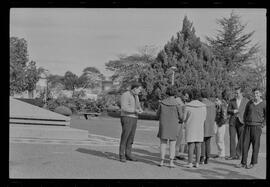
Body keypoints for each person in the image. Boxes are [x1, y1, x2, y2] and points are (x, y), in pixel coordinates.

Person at [236, 87, 266, 169]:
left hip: (257, 127)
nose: (255, 95)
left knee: (255, 146)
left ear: (260, 94)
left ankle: (253, 163)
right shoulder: (249, 103)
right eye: (254, 93)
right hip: (248, 127)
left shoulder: (264, 104)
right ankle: (243, 162)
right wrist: (245, 122)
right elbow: (245, 113)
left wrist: (263, 124)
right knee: (245, 145)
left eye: (257, 93)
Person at [156, 86, 184, 168]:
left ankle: (161, 161)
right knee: (172, 144)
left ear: (167, 93)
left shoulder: (162, 103)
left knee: (163, 143)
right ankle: (171, 162)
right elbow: (181, 117)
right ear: (175, 93)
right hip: (174, 125)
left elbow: (157, 114)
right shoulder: (177, 104)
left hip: (163, 125)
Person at [119, 82, 143, 162]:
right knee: (125, 136)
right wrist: (134, 111)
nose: (140, 91)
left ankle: (128, 154)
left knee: (131, 137)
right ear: (135, 88)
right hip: (127, 117)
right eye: (139, 89)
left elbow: (138, 106)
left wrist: (140, 109)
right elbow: (124, 108)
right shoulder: (126, 95)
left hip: (134, 117)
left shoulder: (136, 96)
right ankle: (121, 155)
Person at [183, 89, 207, 168]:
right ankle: (197, 163)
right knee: (198, 146)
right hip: (199, 127)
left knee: (191, 145)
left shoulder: (188, 105)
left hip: (190, 127)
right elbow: (204, 118)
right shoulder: (203, 106)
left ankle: (190, 162)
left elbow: (184, 118)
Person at [226, 86, 249, 160]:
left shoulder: (246, 101)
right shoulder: (231, 100)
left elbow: (249, 111)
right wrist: (233, 111)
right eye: (235, 93)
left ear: (241, 93)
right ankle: (232, 155)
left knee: (241, 139)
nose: (235, 94)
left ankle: (238, 154)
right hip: (232, 122)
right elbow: (228, 110)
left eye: (237, 93)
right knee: (232, 138)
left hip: (242, 122)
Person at [200, 89, 216, 165]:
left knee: (202, 142)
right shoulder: (212, 104)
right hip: (210, 125)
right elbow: (214, 115)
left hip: (202, 125)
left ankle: (202, 157)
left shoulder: (201, 104)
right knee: (208, 143)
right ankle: (207, 157)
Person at [214, 90, 229, 159]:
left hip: (221, 123)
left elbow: (224, 115)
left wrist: (220, 123)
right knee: (218, 139)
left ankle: (222, 154)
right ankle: (220, 153)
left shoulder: (223, 103)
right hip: (218, 122)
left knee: (220, 139)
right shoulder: (219, 104)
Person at [174, 92, 186, 160]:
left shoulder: (182, 101)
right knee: (176, 139)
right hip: (178, 122)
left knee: (179, 139)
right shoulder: (178, 101)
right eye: (186, 96)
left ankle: (176, 154)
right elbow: (181, 115)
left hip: (180, 123)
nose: (186, 97)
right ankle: (174, 154)